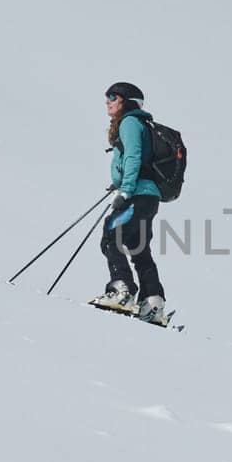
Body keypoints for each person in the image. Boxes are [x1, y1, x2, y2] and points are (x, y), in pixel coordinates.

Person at [89, 82, 167, 323]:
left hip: (137, 194)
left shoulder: (130, 123)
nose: (108, 100)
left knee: (112, 234)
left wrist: (126, 190)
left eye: (113, 96)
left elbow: (133, 156)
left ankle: (121, 290)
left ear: (127, 101)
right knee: (138, 247)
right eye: (107, 96)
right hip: (148, 196)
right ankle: (153, 304)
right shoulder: (139, 124)